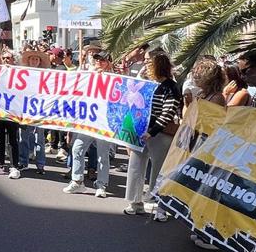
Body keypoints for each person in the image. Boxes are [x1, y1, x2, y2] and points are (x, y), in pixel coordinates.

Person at [124, 53, 183, 216]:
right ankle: (135, 202)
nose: (147, 66)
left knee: (159, 170)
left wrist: (152, 131)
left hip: (160, 133)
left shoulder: (171, 87)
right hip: (140, 131)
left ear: (158, 67)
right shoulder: (147, 84)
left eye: (150, 64)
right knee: (135, 166)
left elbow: (168, 112)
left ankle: (160, 206)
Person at [64, 51, 116, 197]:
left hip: (104, 122)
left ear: (108, 63)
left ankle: (101, 185)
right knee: (77, 148)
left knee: (102, 155)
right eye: (97, 59)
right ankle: (77, 181)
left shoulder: (114, 78)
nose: (99, 62)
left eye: (103, 60)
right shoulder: (88, 75)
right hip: (88, 120)